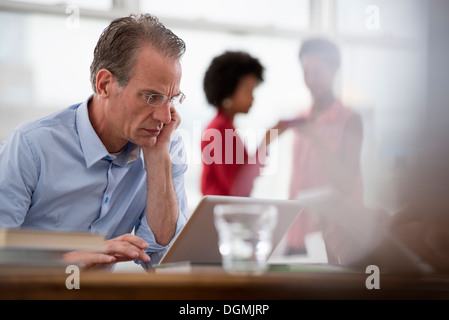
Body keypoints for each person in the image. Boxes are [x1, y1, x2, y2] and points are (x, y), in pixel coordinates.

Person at [0, 14, 189, 270]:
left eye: (171, 99)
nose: (165, 116)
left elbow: (162, 262)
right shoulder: (31, 147)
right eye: (151, 97)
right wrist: (66, 263)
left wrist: (157, 159)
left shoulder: (164, 146)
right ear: (105, 85)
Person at [281, 38, 364, 258]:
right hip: (298, 237)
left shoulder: (350, 120)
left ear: (334, 69)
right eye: (306, 72)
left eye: (317, 72)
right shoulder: (300, 119)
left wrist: (316, 139)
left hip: (335, 241)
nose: (310, 79)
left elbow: (347, 184)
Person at [200, 51, 280, 197]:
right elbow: (237, 187)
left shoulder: (224, 127)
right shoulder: (219, 129)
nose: (252, 97)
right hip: (220, 214)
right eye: (248, 90)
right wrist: (265, 142)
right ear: (228, 91)